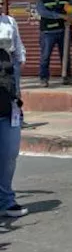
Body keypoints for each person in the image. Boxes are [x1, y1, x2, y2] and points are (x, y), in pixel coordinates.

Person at [34, 0, 72, 87]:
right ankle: (44, 79)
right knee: (45, 56)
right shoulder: (42, 0)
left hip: (64, 32)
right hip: (47, 33)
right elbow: (43, 12)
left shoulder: (66, 0)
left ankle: (67, 78)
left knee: (65, 56)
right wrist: (61, 16)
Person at [0, 44, 25, 218]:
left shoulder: (4, 54)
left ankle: (6, 200)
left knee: (9, 155)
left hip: (8, 112)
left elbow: (12, 82)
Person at [0, 9, 24, 127]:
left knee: (15, 89)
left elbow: (17, 39)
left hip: (10, 58)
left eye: (1, 4)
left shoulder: (10, 20)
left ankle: (18, 117)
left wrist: (21, 56)